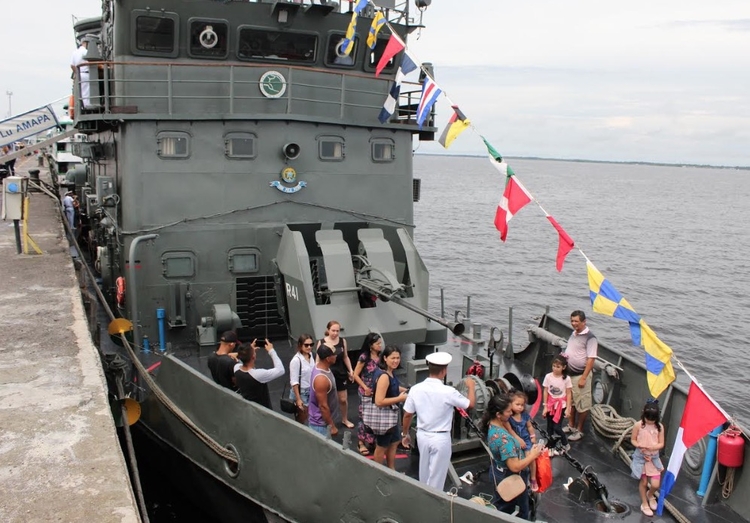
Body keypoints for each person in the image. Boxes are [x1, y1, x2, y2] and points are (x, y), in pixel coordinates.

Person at [401, 351, 476, 490]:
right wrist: (471, 386)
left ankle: (424, 500)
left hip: (422, 435)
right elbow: (469, 405)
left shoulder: (416, 389)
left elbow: (407, 415)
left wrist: (405, 434)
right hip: (440, 438)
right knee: (436, 479)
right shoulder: (448, 392)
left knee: (424, 474)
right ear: (444, 371)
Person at [482, 394, 544, 520]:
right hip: (511, 477)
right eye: (508, 411)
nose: (511, 413)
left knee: (502, 505)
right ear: (499, 414)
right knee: (516, 510)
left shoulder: (493, 425)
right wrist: (533, 455)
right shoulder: (504, 440)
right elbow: (514, 467)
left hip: (498, 472)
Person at [371, 345, 409, 469]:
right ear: (385, 358)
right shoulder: (383, 376)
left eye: (398, 358)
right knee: (382, 446)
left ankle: (391, 469)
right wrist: (400, 398)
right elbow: (379, 401)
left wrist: (408, 391)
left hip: (392, 418)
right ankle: (378, 472)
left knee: (394, 442)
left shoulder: (389, 373)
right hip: (384, 419)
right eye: (393, 358)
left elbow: (393, 387)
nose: (396, 361)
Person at [563, 310, 597, 441]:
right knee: (571, 402)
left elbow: (591, 358)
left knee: (582, 404)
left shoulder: (590, 338)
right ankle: (571, 425)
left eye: (576, 321)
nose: (573, 323)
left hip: (580, 375)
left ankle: (580, 429)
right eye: (572, 321)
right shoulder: (574, 334)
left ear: (584, 321)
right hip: (570, 375)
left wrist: (583, 377)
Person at [316, 320, 355, 428]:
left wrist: (350, 370)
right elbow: (317, 360)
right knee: (327, 399)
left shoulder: (342, 341)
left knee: (343, 399)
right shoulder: (322, 342)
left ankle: (344, 419)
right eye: (333, 330)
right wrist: (317, 373)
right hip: (327, 373)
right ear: (328, 330)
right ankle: (329, 421)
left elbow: (345, 356)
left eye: (337, 331)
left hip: (340, 372)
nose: (335, 333)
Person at [630, 400, 665, 517]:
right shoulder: (638, 425)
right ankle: (644, 503)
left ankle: (650, 495)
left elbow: (661, 443)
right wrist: (638, 445)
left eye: (652, 420)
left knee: (655, 484)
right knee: (644, 482)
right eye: (647, 419)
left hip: (653, 458)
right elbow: (633, 440)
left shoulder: (660, 427)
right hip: (641, 458)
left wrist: (652, 447)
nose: (650, 422)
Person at [351, 332, 382, 455]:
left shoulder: (381, 357)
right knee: (364, 417)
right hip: (366, 391)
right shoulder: (364, 357)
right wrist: (365, 387)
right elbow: (355, 375)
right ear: (371, 345)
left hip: (377, 391)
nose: (380, 345)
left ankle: (372, 440)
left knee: (375, 416)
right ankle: (361, 442)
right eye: (377, 343)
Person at [234, 338, 285, 409]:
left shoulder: (236, 368)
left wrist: (248, 351)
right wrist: (271, 351)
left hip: (248, 407)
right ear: (253, 357)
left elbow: (240, 359)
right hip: (262, 409)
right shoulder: (257, 375)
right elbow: (281, 370)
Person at [508, 389, 539, 492]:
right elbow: (510, 430)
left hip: (525, 440)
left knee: (530, 457)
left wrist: (533, 436)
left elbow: (529, 426)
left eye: (522, 405)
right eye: (517, 404)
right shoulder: (509, 417)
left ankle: (533, 478)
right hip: (514, 441)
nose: (520, 407)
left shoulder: (525, 416)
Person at [542, 354, 573, 454]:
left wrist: (568, 408)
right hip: (551, 404)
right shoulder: (548, 376)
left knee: (557, 427)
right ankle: (551, 445)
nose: (555, 368)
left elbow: (568, 393)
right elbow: (546, 391)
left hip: (561, 405)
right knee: (549, 426)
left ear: (563, 367)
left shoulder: (566, 379)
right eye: (554, 366)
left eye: (558, 367)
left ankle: (565, 443)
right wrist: (545, 406)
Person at [308, 345, 341, 437]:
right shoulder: (321, 379)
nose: (336, 356)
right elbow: (323, 406)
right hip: (321, 426)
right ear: (328, 359)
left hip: (323, 424)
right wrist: (332, 426)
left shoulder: (323, 367)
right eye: (334, 355)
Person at [289, 333, 316, 425]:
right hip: (302, 392)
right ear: (300, 345)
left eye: (311, 345)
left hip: (311, 389)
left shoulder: (311, 355)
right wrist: (298, 398)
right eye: (306, 345)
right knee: (302, 417)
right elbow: (294, 381)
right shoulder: (296, 361)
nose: (309, 347)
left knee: (311, 415)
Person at [71, 37, 90, 108]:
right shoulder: (85, 51)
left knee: (81, 92)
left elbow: (72, 65)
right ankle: (87, 106)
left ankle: (82, 106)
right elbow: (91, 62)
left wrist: (76, 73)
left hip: (79, 74)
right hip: (86, 73)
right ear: (86, 43)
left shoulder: (75, 52)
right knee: (87, 91)